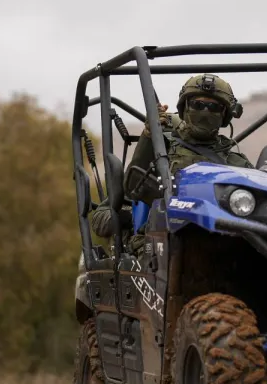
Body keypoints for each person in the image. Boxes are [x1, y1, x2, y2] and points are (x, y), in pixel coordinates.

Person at [88, 74, 250, 251]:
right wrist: (130, 217)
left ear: (225, 114)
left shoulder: (237, 164)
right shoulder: (158, 149)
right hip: (160, 251)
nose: (205, 112)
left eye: (213, 107)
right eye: (198, 105)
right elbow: (101, 218)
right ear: (185, 108)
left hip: (224, 248)